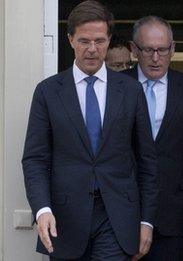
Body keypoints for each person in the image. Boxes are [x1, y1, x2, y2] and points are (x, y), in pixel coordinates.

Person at [22, 1, 157, 260]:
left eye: (99, 41)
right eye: (84, 41)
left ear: (108, 41)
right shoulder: (48, 91)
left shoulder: (130, 91)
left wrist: (147, 221)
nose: (92, 49)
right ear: (70, 39)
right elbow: (35, 159)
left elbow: (147, 161)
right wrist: (42, 209)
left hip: (117, 217)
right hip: (65, 218)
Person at [122, 15, 183, 260]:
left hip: (176, 214)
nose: (155, 58)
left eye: (162, 50)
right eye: (148, 49)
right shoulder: (117, 87)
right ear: (133, 49)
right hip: (123, 212)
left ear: (173, 49)